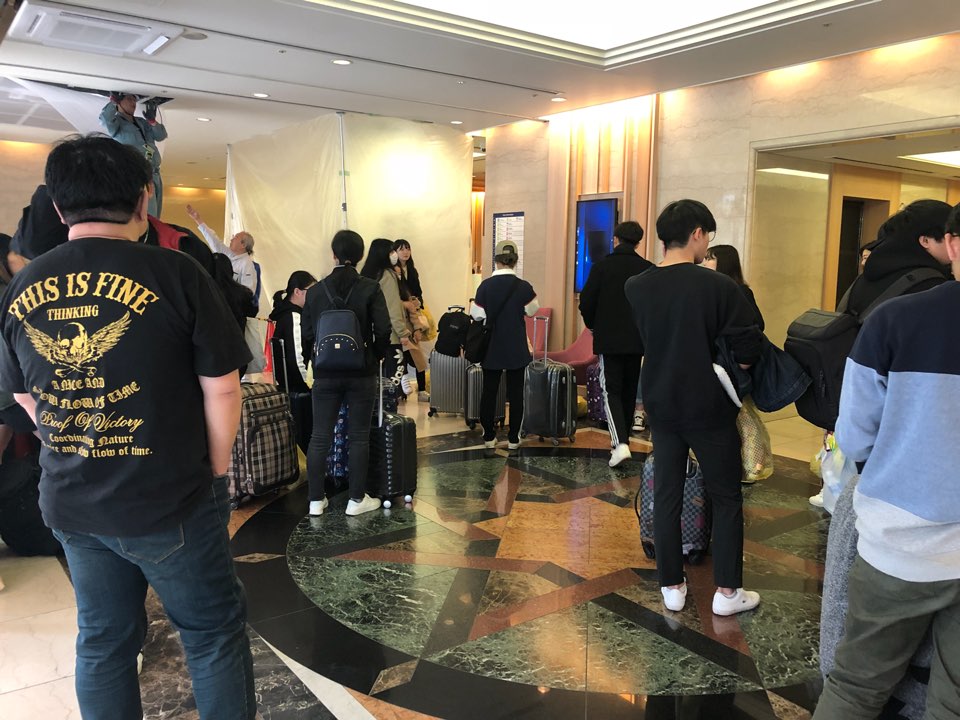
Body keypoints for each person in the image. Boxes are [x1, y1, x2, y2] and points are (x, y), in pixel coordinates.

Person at [0, 135, 255, 719]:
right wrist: (216, 471)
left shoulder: (24, 286)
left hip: (73, 499)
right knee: (212, 633)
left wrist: (69, 436)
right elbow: (222, 387)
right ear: (144, 199)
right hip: (170, 496)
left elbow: (20, 393)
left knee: (104, 641)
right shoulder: (176, 272)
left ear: (59, 208)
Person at [811, 203, 960, 720]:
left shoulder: (896, 319)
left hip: (903, 545)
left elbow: (855, 436)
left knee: (856, 688)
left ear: (953, 245)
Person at [624, 199, 763, 616]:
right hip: (708, 403)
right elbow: (749, 346)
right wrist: (734, 370)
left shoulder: (637, 286)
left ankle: (671, 585)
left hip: (660, 401)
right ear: (697, 234)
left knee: (666, 492)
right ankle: (728, 593)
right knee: (726, 496)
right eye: (708, 236)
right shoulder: (718, 286)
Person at [301, 230, 391, 517]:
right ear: (361, 255)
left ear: (333, 254)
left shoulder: (315, 292)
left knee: (319, 436)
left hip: (325, 373)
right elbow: (384, 329)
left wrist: (314, 361)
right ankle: (356, 499)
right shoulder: (370, 287)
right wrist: (374, 356)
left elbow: (307, 334)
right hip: (361, 372)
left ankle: (316, 500)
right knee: (359, 436)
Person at [578, 220, 653, 467]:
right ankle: (623, 439)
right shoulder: (648, 269)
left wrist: (593, 326)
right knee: (629, 389)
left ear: (615, 239)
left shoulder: (602, 267)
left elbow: (586, 302)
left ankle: (620, 443)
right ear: (638, 242)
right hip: (638, 340)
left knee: (611, 390)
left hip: (609, 339)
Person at [472, 239, 539, 455]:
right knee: (516, 393)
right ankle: (513, 438)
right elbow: (532, 311)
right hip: (516, 347)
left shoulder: (485, 286)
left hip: (491, 347)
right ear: (515, 260)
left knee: (489, 392)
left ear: (496, 260)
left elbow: (477, 315)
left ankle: (489, 437)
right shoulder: (524, 287)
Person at [843, 199, 952, 316]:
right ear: (925, 241)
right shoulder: (931, 287)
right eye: (951, 238)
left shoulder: (868, 275)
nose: (956, 244)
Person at [99, 94, 167, 217]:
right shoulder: (117, 123)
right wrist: (113, 102)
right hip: (138, 173)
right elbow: (105, 119)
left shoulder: (142, 122)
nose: (133, 103)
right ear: (119, 102)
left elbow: (161, 136)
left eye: (135, 100)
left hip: (154, 173)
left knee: (156, 214)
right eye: (129, 99)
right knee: (147, 213)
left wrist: (152, 122)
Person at [360, 238, 412, 391]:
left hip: (370, 335)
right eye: (392, 251)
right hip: (390, 336)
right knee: (392, 380)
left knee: (376, 381)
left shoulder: (366, 274)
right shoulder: (387, 275)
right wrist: (403, 332)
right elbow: (393, 307)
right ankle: (390, 405)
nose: (394, 254)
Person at [185, 204, 257, 295]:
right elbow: (214, 240)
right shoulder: (227, 254)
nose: (231, 239)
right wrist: (198, 219)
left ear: (243, 245)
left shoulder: (247, 264)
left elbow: (248, 292)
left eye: (236, 237)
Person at [269, 271, 316, 394]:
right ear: (297, 291)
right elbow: (297, 358)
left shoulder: (283, 312)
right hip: (298, 387)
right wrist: (310, 385)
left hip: (289, 384)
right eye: (311, 291)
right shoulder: (294, 316)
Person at [702, 244, 764, 331]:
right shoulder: (709, 290)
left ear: (724, 262)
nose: (704, 263)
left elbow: (758, 324)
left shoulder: (741, 291)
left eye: (709, 259)